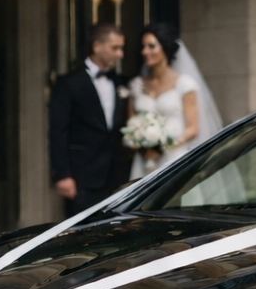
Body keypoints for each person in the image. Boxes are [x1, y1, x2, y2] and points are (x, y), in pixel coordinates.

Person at [49, 22, 130, 216]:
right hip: (82, 177)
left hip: (118, 175)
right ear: (96, 46)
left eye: (122, 48)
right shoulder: (68, 83)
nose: (120, 54)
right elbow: (58, 131)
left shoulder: (122, 82)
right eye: (115, 48)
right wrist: (63, 175)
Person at [128, 22, 223, 178]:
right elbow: (131, 126)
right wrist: (143, 147)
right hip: (144, 161)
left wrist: (162, 145)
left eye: (151, 46)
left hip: (174, 159)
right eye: (143, 47)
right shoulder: (136, 85)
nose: (145, 51)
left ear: (164, 48)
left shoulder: (185, 84)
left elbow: (193, 128)